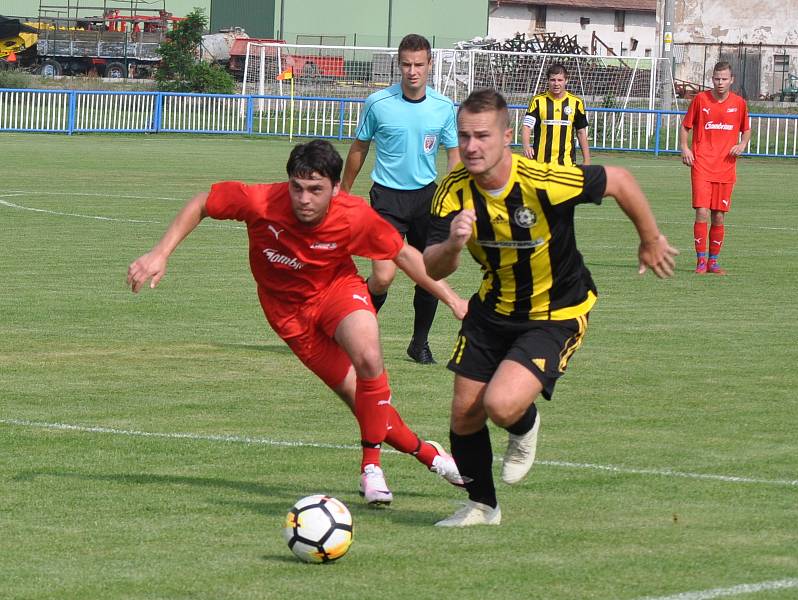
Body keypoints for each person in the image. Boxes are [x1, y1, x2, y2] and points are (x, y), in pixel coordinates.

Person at [127, 139, 467, 506]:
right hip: (290, 318)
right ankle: (431, 456)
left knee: (369, 356)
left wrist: (453, 300)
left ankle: (371, 468)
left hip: (338, 292)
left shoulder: (353, 215)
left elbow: (404, 255)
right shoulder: (260, 202)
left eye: (316, 190)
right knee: (368, 407)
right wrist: (160, 252)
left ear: (335, 189)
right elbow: (202, 203)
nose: (304, 199)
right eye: (297, 188)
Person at [423, 89, 678, 527]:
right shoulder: (453, 190)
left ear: (507, 136)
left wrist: (650, 238)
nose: (471, 146)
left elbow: (619, 180)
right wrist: (453, 243)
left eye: (482, 135)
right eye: (464, 136)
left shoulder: (542, 179)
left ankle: (523, 427)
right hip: (492, 308)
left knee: (501, 406)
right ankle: (482, 507)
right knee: (464, 414)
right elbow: (431, 264)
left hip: (556, 311)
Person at [341, 33, 460, 365]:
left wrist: (450, 195)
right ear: (399, 65)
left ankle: (419, 344)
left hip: (427, 200)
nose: (412, 71)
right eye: (406, 64)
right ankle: (358, 333)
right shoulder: (378, 103)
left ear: (430, 65)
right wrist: (343, 193)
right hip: (386, 200)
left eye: (419, 65)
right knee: (383, 276)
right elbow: (359, 147)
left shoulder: (443, 107)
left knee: (430, 274)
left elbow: (454, 153)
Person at [680, 61, 751, 275]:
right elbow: (685, 127)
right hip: (701, 163)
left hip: (726, 167)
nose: (720, 83)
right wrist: (685, 148)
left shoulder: (739, 104)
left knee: (718, 215)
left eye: (724, 79)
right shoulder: (701, 100)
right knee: (701, 211)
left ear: (732, 80)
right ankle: (701, 261)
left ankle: (713, 261)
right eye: (716, 79)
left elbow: (746, 130)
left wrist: (742, 144)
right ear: (712, 79)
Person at [521, 63, 591, 166]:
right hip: (541, 163)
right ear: (548, 81)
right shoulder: (537, 101)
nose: (556, 83)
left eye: (560, 80)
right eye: (553, 80)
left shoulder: (576, 102)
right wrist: (526, 146)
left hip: (566, 163)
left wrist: (587, 160)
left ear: (566, 80)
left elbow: (581, 132)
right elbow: (527, 126)